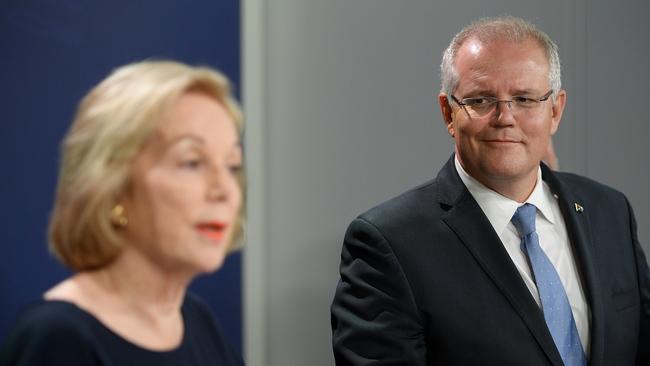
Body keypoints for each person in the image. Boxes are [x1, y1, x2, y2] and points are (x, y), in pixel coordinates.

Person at [331, 16, 650, 365]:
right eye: (481, 100)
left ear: (555, 110)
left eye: (525, 99)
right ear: (448, 113)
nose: (504, 117)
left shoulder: (610, 211)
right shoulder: (390, 243)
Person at [0, 61, 245, 365]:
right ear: (112, 184)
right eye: (192, 162)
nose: (224, 190)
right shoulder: (59, 339)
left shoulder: (198, 321)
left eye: (232, 166)